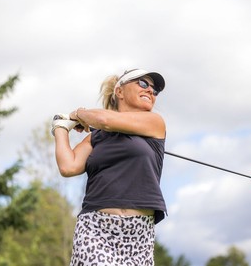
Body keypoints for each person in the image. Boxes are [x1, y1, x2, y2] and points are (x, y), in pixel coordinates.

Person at [52, 68, 167, 266]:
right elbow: (68, 166)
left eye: (155, 90)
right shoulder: (96, 137)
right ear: (119, 91)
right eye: (143, 83)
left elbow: (104, 120)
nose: (150, 90)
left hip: (139, 237)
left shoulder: (154, 123)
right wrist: (61, 127)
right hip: (95, 230)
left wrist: (79, 114)